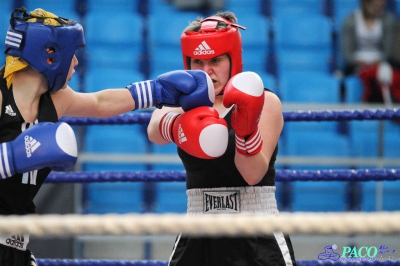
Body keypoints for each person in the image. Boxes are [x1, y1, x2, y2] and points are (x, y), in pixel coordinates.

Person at [0, 7, 214, 266]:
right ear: (50, 55)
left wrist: (157, 91)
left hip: (15, 243)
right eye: (73, 54)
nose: (77, 63)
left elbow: (101, 103)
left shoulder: (56, 100)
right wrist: (12, 157)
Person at [147, 11, 296, 265]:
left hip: (255, 228)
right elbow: (154, 131)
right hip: (198, 227)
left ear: (233, 59)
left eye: (215, 60)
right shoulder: (184, 103)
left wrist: (245, 128)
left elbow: (252, 174)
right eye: (198, 62)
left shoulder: (265, 101)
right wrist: (179, 124)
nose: (207, 71)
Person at [340, 0, 396, 103]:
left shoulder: (388, 20)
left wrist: (376, 62)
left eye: (382, 6)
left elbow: (388, 51)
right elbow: (347, 54)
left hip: (379, 64)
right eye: (375, 6)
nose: (379, 9)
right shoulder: (350, 20)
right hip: (356, 64)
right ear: (365, 4)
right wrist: (359, 62)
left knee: (385, 74)